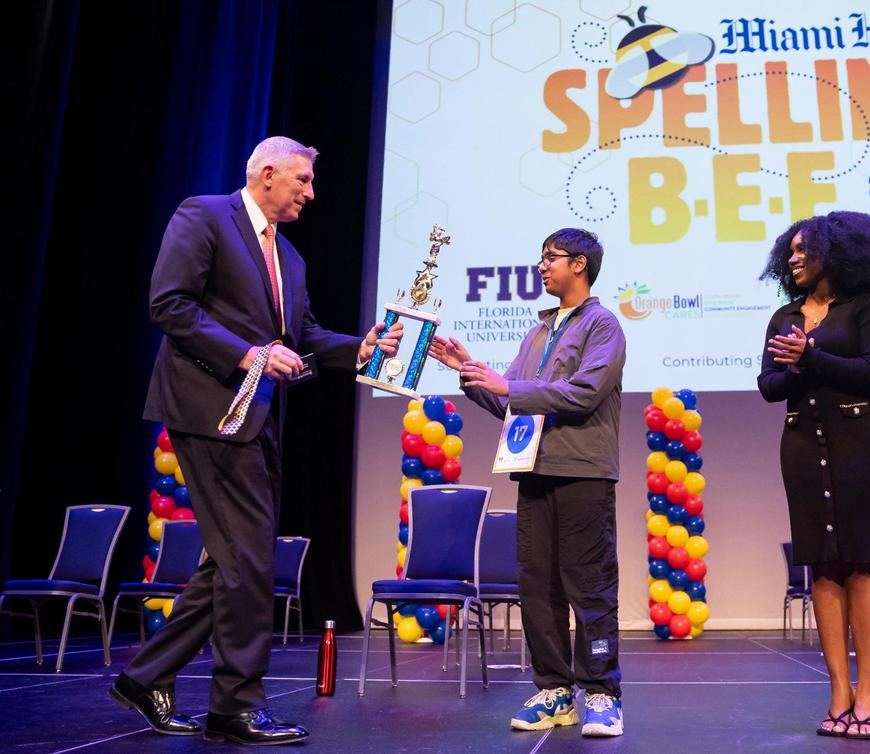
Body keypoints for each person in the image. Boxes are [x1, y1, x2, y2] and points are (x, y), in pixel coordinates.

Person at [110, 136, 402, 745]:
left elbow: (304, 334)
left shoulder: (289, 259)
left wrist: (362, 349)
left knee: (232, 562)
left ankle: (146, 674)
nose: (311, 193)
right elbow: (169, 305)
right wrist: (246, 354)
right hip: (207, 410)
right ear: (267, 174)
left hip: (259, 418)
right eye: (303, 181)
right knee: (248, 559)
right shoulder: (204, 214)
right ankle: (235, 705)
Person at [428, 228, 626, 737]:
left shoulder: (603, 326)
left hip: (582, 471)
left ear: (579, 264)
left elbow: (581, 394)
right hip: (533, 469)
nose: (542, 267)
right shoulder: (537, 332)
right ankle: (556, 690)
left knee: (590, 585)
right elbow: (509, 402)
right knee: (537, 585)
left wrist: (510, 385)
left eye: (550, 258)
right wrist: (468, 372)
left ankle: (602, 694)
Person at [757, 211, 870, 741]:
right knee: (819, 564)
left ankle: (869, 693)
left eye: (802, 250)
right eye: (788, 251)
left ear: (835, 254)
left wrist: (812, 354)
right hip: (800, 441)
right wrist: (794, 366)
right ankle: (838, 692)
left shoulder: (867, 307)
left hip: (860, 440)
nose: (792, 258)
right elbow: (769, 386)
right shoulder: (784, 316)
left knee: (861, 561)